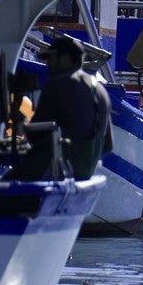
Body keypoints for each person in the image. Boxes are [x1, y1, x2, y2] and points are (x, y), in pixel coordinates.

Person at [13, 35, 113, 180]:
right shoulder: (100, 91)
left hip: (57, 173)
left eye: (50, 60)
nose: (47, 65)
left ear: (65, 59)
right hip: (85, 176)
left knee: (0, 188)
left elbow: (35, 137)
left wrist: (20, 122)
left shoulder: (57, 84)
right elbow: (108, 146)